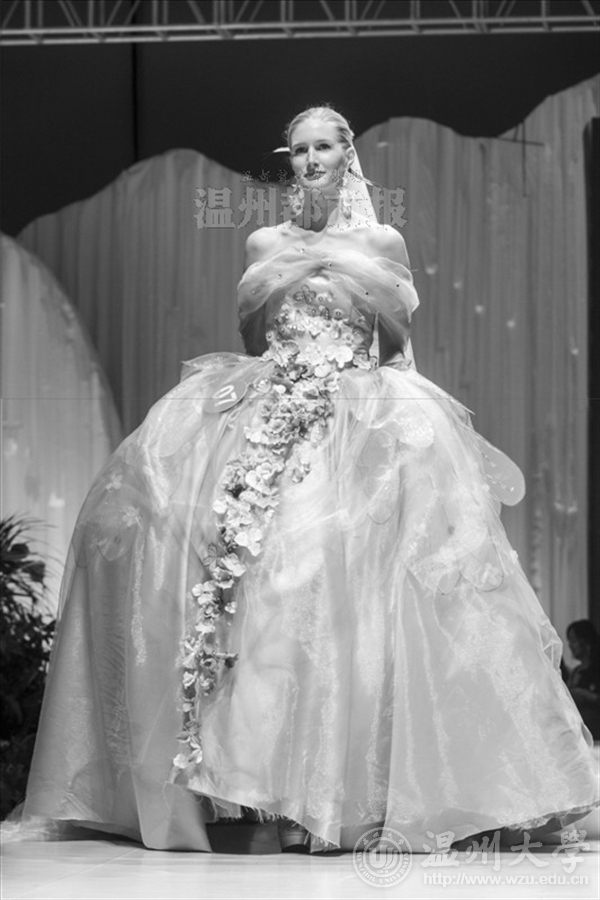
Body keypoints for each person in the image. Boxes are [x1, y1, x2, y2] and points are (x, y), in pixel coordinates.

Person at [17, 106, 598, 854]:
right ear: (287, 159)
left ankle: (352, 791)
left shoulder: (382, 242)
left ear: (348, 154)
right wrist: (278, 385)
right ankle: (266, 790)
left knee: (341, 592)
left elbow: (396, 348)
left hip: (357, 418)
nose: (312, 159)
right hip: (274, 412)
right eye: (299, 150)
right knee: (255, 586)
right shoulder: (265, 243)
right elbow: (255, 338)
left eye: (324, 146)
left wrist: (397, 427)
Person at [566, 620, 600, 740]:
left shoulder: (596, 670)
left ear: (585, 642)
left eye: (573, 641)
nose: (570, 645)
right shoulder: (575, 671)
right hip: (577, 733)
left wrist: (585, 695)